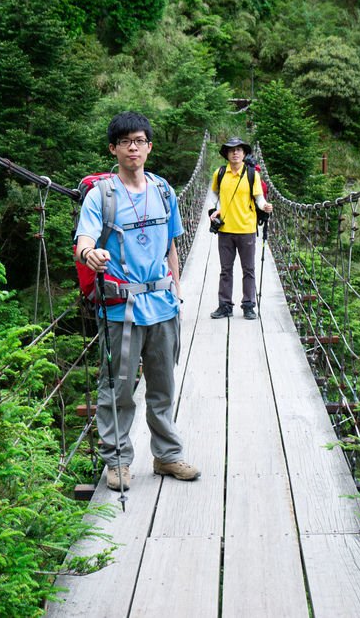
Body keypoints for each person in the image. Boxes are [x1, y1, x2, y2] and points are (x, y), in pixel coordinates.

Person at [75, 111, 200, 491]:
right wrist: (89, 255)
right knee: (119, 388)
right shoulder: (101, 196)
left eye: (141, 141)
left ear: (149, 147)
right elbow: (84, 240)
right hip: (121, 309)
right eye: (126, 141)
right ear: (113, 148)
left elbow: (171, 245)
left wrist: (176, 291)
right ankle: (117, 462)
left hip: (162, 305)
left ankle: (167, 455)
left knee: (163, 386)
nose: (134, 147)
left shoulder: (164, 190)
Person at [208, 137, 273, 320]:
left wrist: (265, 206)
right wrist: (214, 209)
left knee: (248, 269)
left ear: (244, 154)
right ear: (227, 154)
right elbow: (214, 192)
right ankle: (225, 306)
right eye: (231, 150)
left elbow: (259, 198)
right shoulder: (219, 173)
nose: (235, 153)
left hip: (246, 228)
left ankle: (248, 306)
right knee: (225, 269)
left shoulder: (252, 174)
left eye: (239, 150)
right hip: (226, 229)